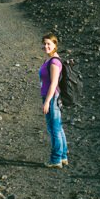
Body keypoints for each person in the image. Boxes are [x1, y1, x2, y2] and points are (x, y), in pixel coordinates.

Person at [39, 32, 69, 168]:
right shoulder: (50, 60)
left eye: (49, 44)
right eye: (44, 44)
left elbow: (53, 83)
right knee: (58, 128)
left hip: (51, 97)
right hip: (50, 97)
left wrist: (47, 101)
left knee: (54, 129)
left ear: (55, 45)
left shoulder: (54, 62)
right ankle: (63, 157)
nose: (46, 46)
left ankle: (56, 159)